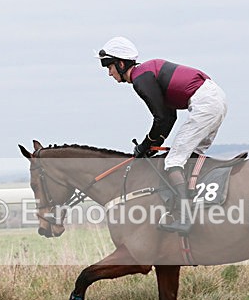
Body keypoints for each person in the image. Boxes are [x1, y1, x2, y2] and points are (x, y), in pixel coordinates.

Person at [96, 36, 228, 234]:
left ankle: (185, 218)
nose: (109, 73)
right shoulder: (147, 73)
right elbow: (169, 116)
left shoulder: (141, 78)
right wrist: (150, 144)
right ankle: (196, 202)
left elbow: (163, 119)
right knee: (193, 155)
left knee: (173, 160)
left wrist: (145, 145)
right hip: (214, 99)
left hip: (205, 103)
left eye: (109, 66)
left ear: (121, 63)